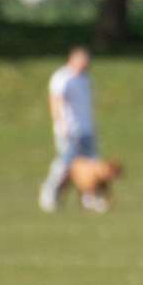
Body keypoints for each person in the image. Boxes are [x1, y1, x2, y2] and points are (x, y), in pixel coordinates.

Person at [40, 46, 99, 212]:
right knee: (65, 164)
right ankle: (49, 193)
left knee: (91, 166)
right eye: (82, 62)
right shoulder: (62, 77)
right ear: (73, 59)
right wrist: (60, 123)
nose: (85, 65)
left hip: (86, 129)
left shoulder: (86, 79)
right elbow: (55, 100)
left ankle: (89, 198)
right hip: (69, 130)